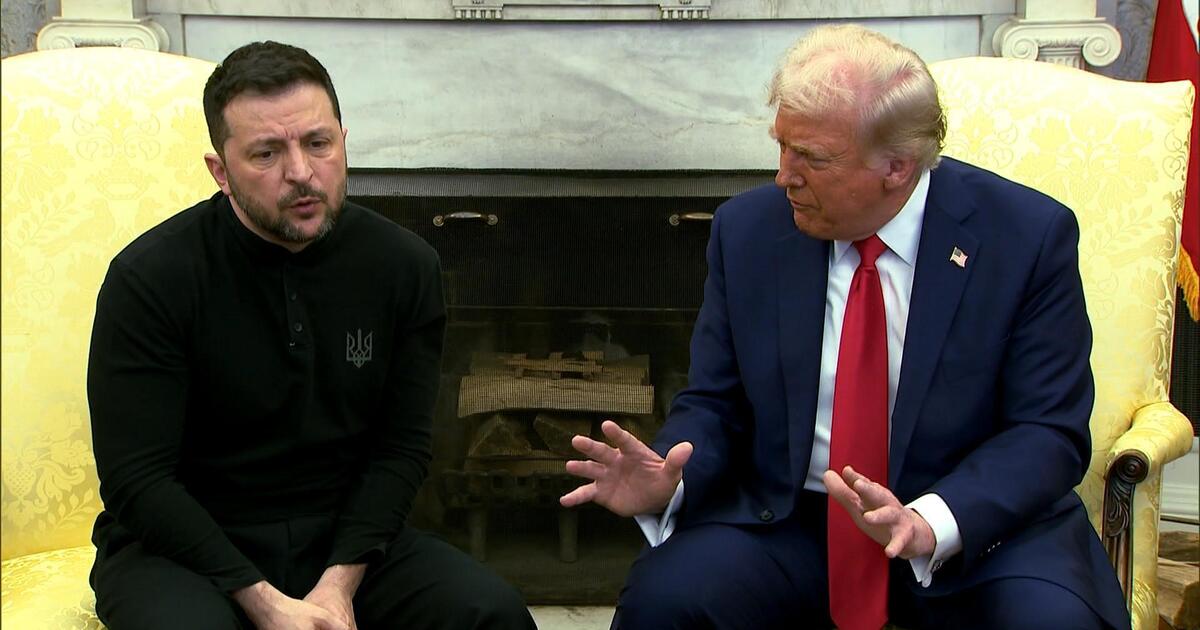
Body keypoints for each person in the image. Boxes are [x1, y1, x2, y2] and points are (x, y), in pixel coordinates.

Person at [561, 24, 1131, 630]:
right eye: (782, 146)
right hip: (791, 520)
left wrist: (931, 520)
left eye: (812, 157)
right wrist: (670, 481)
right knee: (663, 602)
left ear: (897, 167)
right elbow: (715, 403)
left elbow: (1047, 431)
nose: (784, 176)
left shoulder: (1025, 237)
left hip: (976, 529)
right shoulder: (749, 231)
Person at [86, 41, 536, 630]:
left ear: (343, 142)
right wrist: (265, 603)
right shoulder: (150, 278)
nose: (300, 172)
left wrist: (338, 587)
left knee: (493, 615)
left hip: (342, 541)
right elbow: (138, 481)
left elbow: (400, 449)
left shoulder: (403, 266)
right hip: (184, 548)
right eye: (266, 153)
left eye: (318, 144)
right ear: (221, 172)